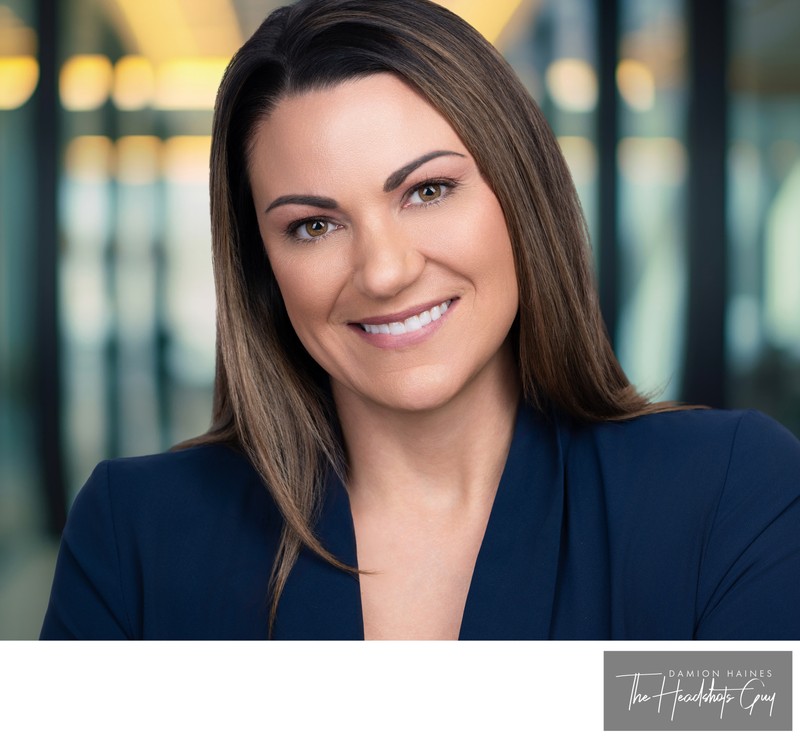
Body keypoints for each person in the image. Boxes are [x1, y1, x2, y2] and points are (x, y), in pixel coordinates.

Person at [41, 0, 800, 640]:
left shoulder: (728, 494)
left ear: (520, 194)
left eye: (427, 191)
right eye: (313, 225)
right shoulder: (136, 534)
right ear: (262, 270)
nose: (385, 270)